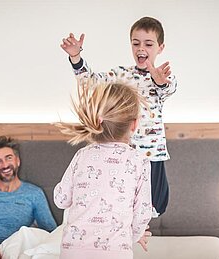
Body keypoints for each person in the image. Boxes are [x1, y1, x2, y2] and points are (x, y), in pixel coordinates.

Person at [60, 16, 177, 216]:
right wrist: (76, 58)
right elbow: (90, 82)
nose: (141, 48)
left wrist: (159, 81)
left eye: (148, 44)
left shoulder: (162, 76)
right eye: (136, 43)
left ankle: (140, 229)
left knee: (156, 203)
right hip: (120, 152)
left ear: (160, 47)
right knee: (121, 199)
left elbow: (168, 89)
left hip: (151, 154)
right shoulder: (120, 74)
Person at [54, 81, 153, 259]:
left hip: (73, 250)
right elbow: (143, 212)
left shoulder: (82, 155)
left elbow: (61, 200)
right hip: (116, 251)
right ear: (134, 124)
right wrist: (136, 235)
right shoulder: (139, 161)